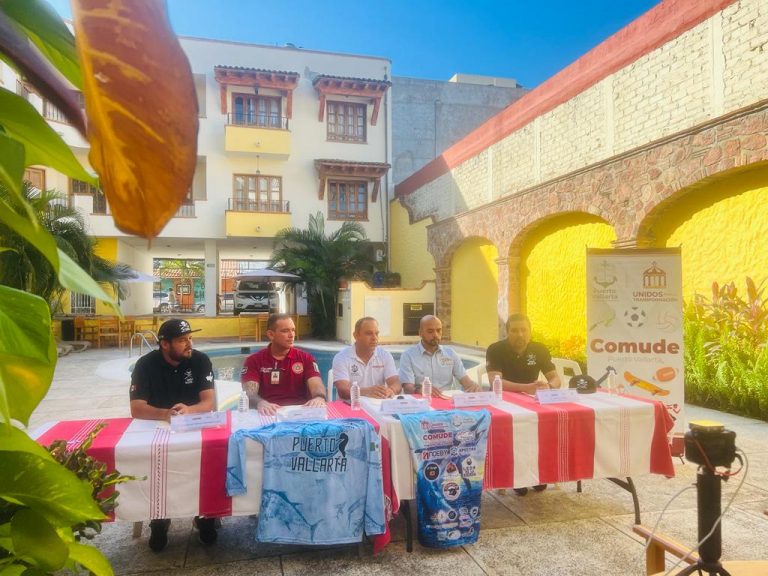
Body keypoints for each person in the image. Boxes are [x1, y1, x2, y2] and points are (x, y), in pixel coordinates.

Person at [129, 318, 218, 551]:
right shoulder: (145, 364)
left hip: (193, 425)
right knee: (154, 462)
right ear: (164, 344)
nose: (189, 344)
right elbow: (137, 408)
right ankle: (159, 519)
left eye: (190, 338)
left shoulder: (200, 360)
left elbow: (208, 403)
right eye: (182, 340)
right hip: (157, 426)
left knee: (211, 457)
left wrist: (188, 411)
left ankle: (205, 515)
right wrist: (165, 414)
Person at [486, 313, 562, 496]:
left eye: (523, 330)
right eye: (514, 330)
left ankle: (537, 473)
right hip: (504, 402)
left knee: (545, 429)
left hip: (532, 402)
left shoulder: (539, 349)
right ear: (507, 332)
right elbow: (495, 382)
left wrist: (549, 387)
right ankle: (517, 476)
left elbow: (555, 377)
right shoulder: (495, 349)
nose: (520, 335)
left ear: (530, 332)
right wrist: (526, 387)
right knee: (514, 432)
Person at [240, 313, 326, 415]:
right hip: (268, 412)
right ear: (271, 334)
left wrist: (319, 398)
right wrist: (260, 403)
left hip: (300, 411)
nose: (291, 335)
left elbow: (316, 385)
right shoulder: (254, 360)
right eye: (285, 331)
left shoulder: (305, 358)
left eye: (293, 330)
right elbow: (249, 393)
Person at [399, 315, 481, 396]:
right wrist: (420, 389)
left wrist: (473, 387)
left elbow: (465, 380)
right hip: (421, 401)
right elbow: (407, 388)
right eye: (430, 331)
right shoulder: (408, 355)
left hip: (446, 401)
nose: (435, 335)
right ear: (420, 333)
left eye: (438, 330)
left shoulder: (450, 354)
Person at [332, 317, 401, 399]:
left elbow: (396, 383)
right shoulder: (341, 358)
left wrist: (391, 390)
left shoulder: (385, 356)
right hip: (350, 406)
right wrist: (367, 392)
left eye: (376, 333)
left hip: (376, 406)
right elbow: (343, 391)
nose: (374, 338)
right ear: (356, 335)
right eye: (369, 333)